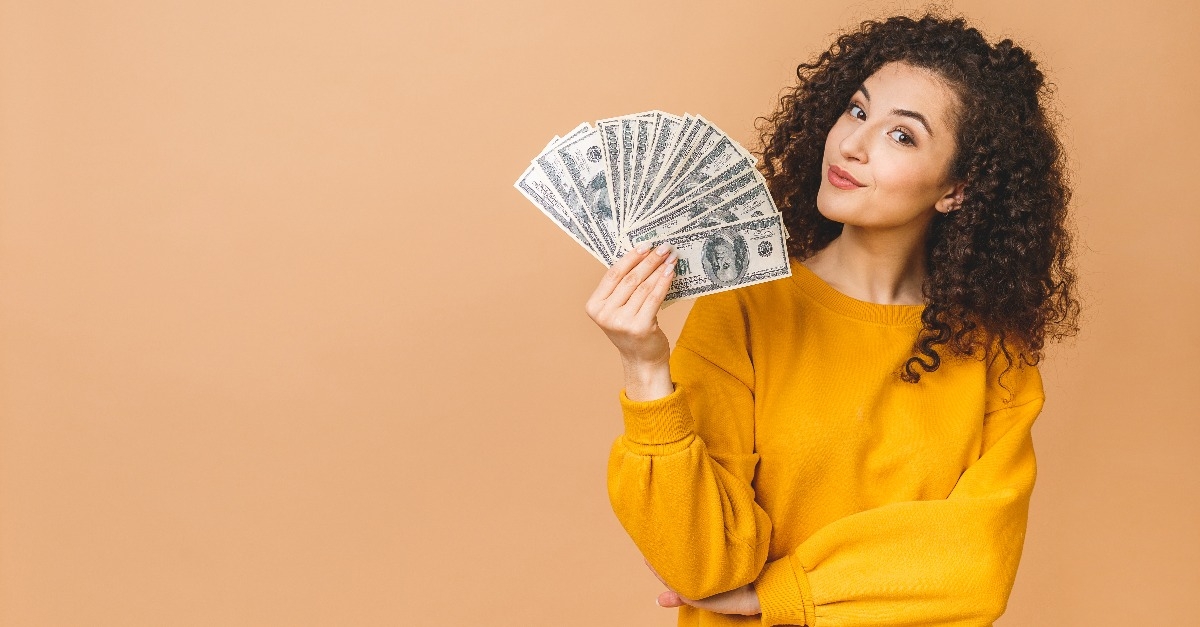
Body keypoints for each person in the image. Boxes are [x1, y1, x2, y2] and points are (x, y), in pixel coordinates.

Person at [585, 11, 1081, 627]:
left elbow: (976, 566)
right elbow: (702, 565)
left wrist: (781, 595)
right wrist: (644, 366)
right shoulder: (746, 304)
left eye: (903, 136)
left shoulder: (993, 353)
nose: (851, 143)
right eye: (857, 110)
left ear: (958, 187)